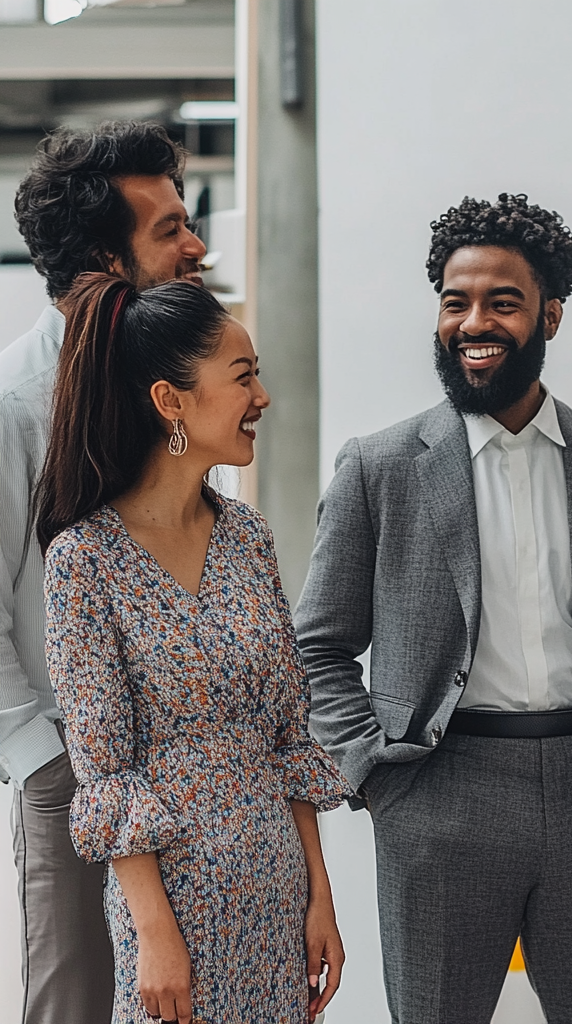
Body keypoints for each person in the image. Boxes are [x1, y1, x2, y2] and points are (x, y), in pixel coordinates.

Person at [295, 193, 572, 1024]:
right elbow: (318, 646)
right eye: (456, 301)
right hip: (439, 798)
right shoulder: (379, 469)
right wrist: (376, 776)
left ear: (550, 314)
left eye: (502, 302)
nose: (473, 321)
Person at [36, 273, 349, 1024]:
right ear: (169, 401)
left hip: (276, 892)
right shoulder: (84, 561)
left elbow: (288, 739)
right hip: (173, 908)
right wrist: (153, 932)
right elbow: (105, 772)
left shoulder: (248, 538)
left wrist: (320, 900)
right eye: (243, 378)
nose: (262, 398)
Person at [0, 120, 206, 1024]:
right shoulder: (13, 406)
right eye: (168, 229)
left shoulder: (178, 389)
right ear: (100, 260)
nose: (195, 245)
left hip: (191, 769)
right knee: (77, 1007)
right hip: (72, 772)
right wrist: (44, 766)